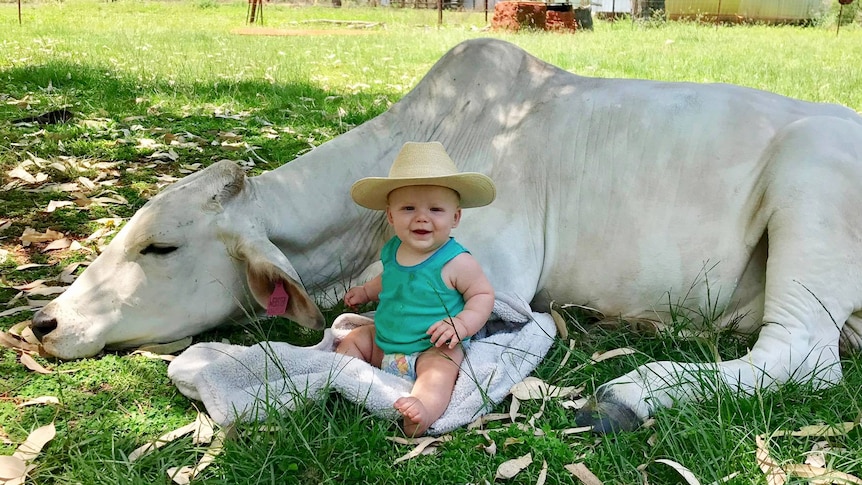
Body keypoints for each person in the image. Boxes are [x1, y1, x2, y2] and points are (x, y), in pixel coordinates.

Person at [336, 141, 497, 436]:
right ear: (391, 216)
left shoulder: (457, 262)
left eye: (436, 209)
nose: (422, 217)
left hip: (431, 346)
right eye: (409, 208)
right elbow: (390, 279)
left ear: (455, 217)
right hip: (383, 342)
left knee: (439, 374)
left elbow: (483, 295)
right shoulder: (393, 249)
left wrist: (460, 324)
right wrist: (366, 292)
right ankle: (345, 378)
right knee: (356, 339)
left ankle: (422, 410)